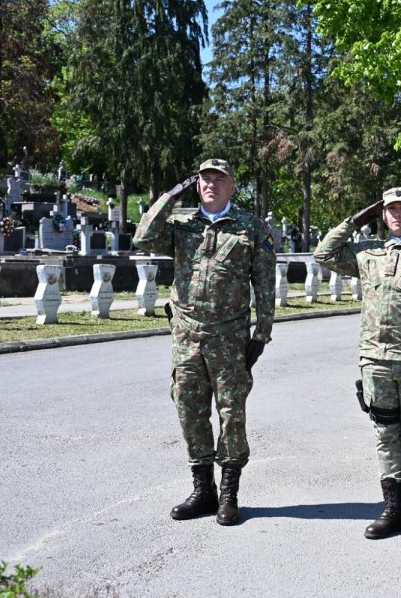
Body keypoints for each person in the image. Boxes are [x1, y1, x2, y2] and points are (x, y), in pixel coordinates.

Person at [132, 158, 275, 526]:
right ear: (197, 185)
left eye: (219, 179)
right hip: (187, 337)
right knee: (189, 410)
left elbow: (264, 283)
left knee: (231, 414)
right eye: (205, 179)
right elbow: (143, 237)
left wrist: (261, 334)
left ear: (232, 186)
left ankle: (229, 494)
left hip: (229, 337)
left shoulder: (249, 228)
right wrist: (171, 193)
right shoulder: (183, 227)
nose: (212, 184)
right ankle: (203, 489)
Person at [314, 187, 401, 543]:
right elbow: (324, 254)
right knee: (384, 434)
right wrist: (355, 220)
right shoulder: (367, 253)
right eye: (389, 208)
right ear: (382, 214)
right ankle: (392, 510)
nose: (396, 214)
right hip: (374, 359)